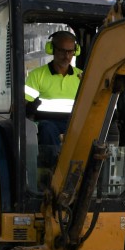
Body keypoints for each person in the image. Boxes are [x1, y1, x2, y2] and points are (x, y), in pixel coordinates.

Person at [24, 30, 82, 160]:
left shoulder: (82, 77)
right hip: (48, 123)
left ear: (75, 51)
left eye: (70, 51)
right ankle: (53, 168)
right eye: (62, 51)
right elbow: (24, 105)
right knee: (46, 128)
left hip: (74, 123)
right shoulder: (37, 75)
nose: (66, 56)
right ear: (52, 50)